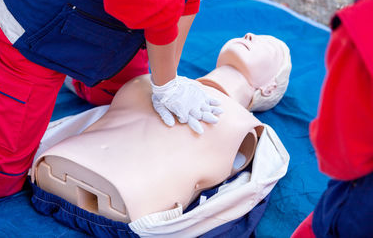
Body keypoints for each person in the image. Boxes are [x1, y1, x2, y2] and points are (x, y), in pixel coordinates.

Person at [0, 0, 222, 198]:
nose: (251, 37)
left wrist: (168, 81)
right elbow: (157, 9)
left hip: (107, 25)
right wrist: (166, 83)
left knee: (121, 94)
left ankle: (71, 73)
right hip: (35, 22)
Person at [32, 33, 292, 223]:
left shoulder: (242, 125)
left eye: (266, 44)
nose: (249, 35)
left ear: (269, 87)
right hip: (59, 165)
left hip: (125, 201)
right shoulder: (153, 82)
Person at [292, 0, 373, 238]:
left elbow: (341, 156)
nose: (250, 36)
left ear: (268, 88)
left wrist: (323, 132)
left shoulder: (362, 30)